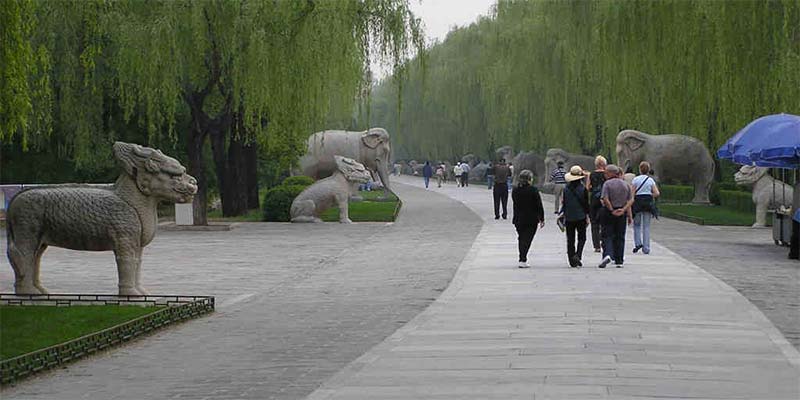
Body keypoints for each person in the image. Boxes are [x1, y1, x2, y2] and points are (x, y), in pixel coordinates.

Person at [598, 165, 633, 268]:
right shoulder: (626, 185)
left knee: (607, 235)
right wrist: (623, 209)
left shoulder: (607, 184)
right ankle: (619, 260)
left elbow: (605, 198)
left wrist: (611, 209)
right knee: (620, 236)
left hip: (609, 212)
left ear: (612, 173)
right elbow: (631, 199)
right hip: (622, 212)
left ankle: (608, 254)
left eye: (606, 173)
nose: (605, 175)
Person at [512, 170, 545, 268]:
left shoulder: (515, 190)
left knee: (521, 238)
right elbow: (539, 205)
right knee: (527, 239)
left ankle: (522, 257)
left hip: (518, 218)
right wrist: (541, 218)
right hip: (531, 218)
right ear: (529, 179)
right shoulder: (533, 190)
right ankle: (523, 259)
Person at [562, 166, 590, 268]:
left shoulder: (566, 189)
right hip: (581, 216)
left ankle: (571, 259)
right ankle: (578, 255)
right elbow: (586, 205)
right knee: (582, 237)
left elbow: (564, 203)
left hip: (569, 216)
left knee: (570, 239)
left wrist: (563, 214)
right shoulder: (583, 189)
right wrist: (588, 216)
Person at [631, 161, 660, 254]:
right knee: (646, 226)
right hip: (647, 203)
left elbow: (632, 193)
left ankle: (638, 243)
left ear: (640, 169)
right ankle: (646, 248)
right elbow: (657, 193)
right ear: (648, 170)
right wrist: (649, 195)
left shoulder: (635, 179)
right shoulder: (650, 180)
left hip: (638, 203)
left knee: (637, 225)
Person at [588, 156, 607, 253]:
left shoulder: (591, 174)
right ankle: (603, 241)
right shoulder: (606, 174)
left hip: (594, 199)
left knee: (594, 223)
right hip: (604, 199)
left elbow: (588, 187)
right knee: (604, 222)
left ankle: (596, 246)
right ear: (604, 164)